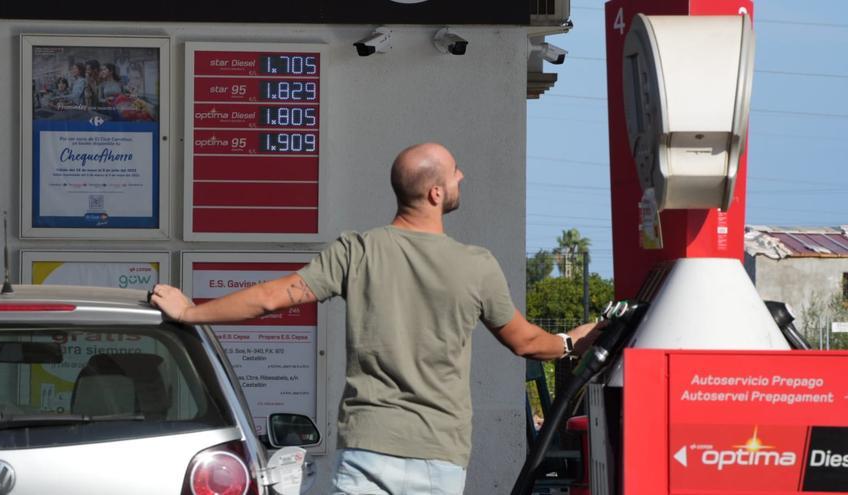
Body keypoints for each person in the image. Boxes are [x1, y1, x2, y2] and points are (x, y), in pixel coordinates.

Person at [151, 142, 602, 495]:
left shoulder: (357, 251)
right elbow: (526, 343)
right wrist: (570, 342)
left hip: (367, 446)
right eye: (454, 172)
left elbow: (273, 297)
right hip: (438, 456)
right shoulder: (476, 265)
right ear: (435, 192)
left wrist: (191, 311)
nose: (462, 175)